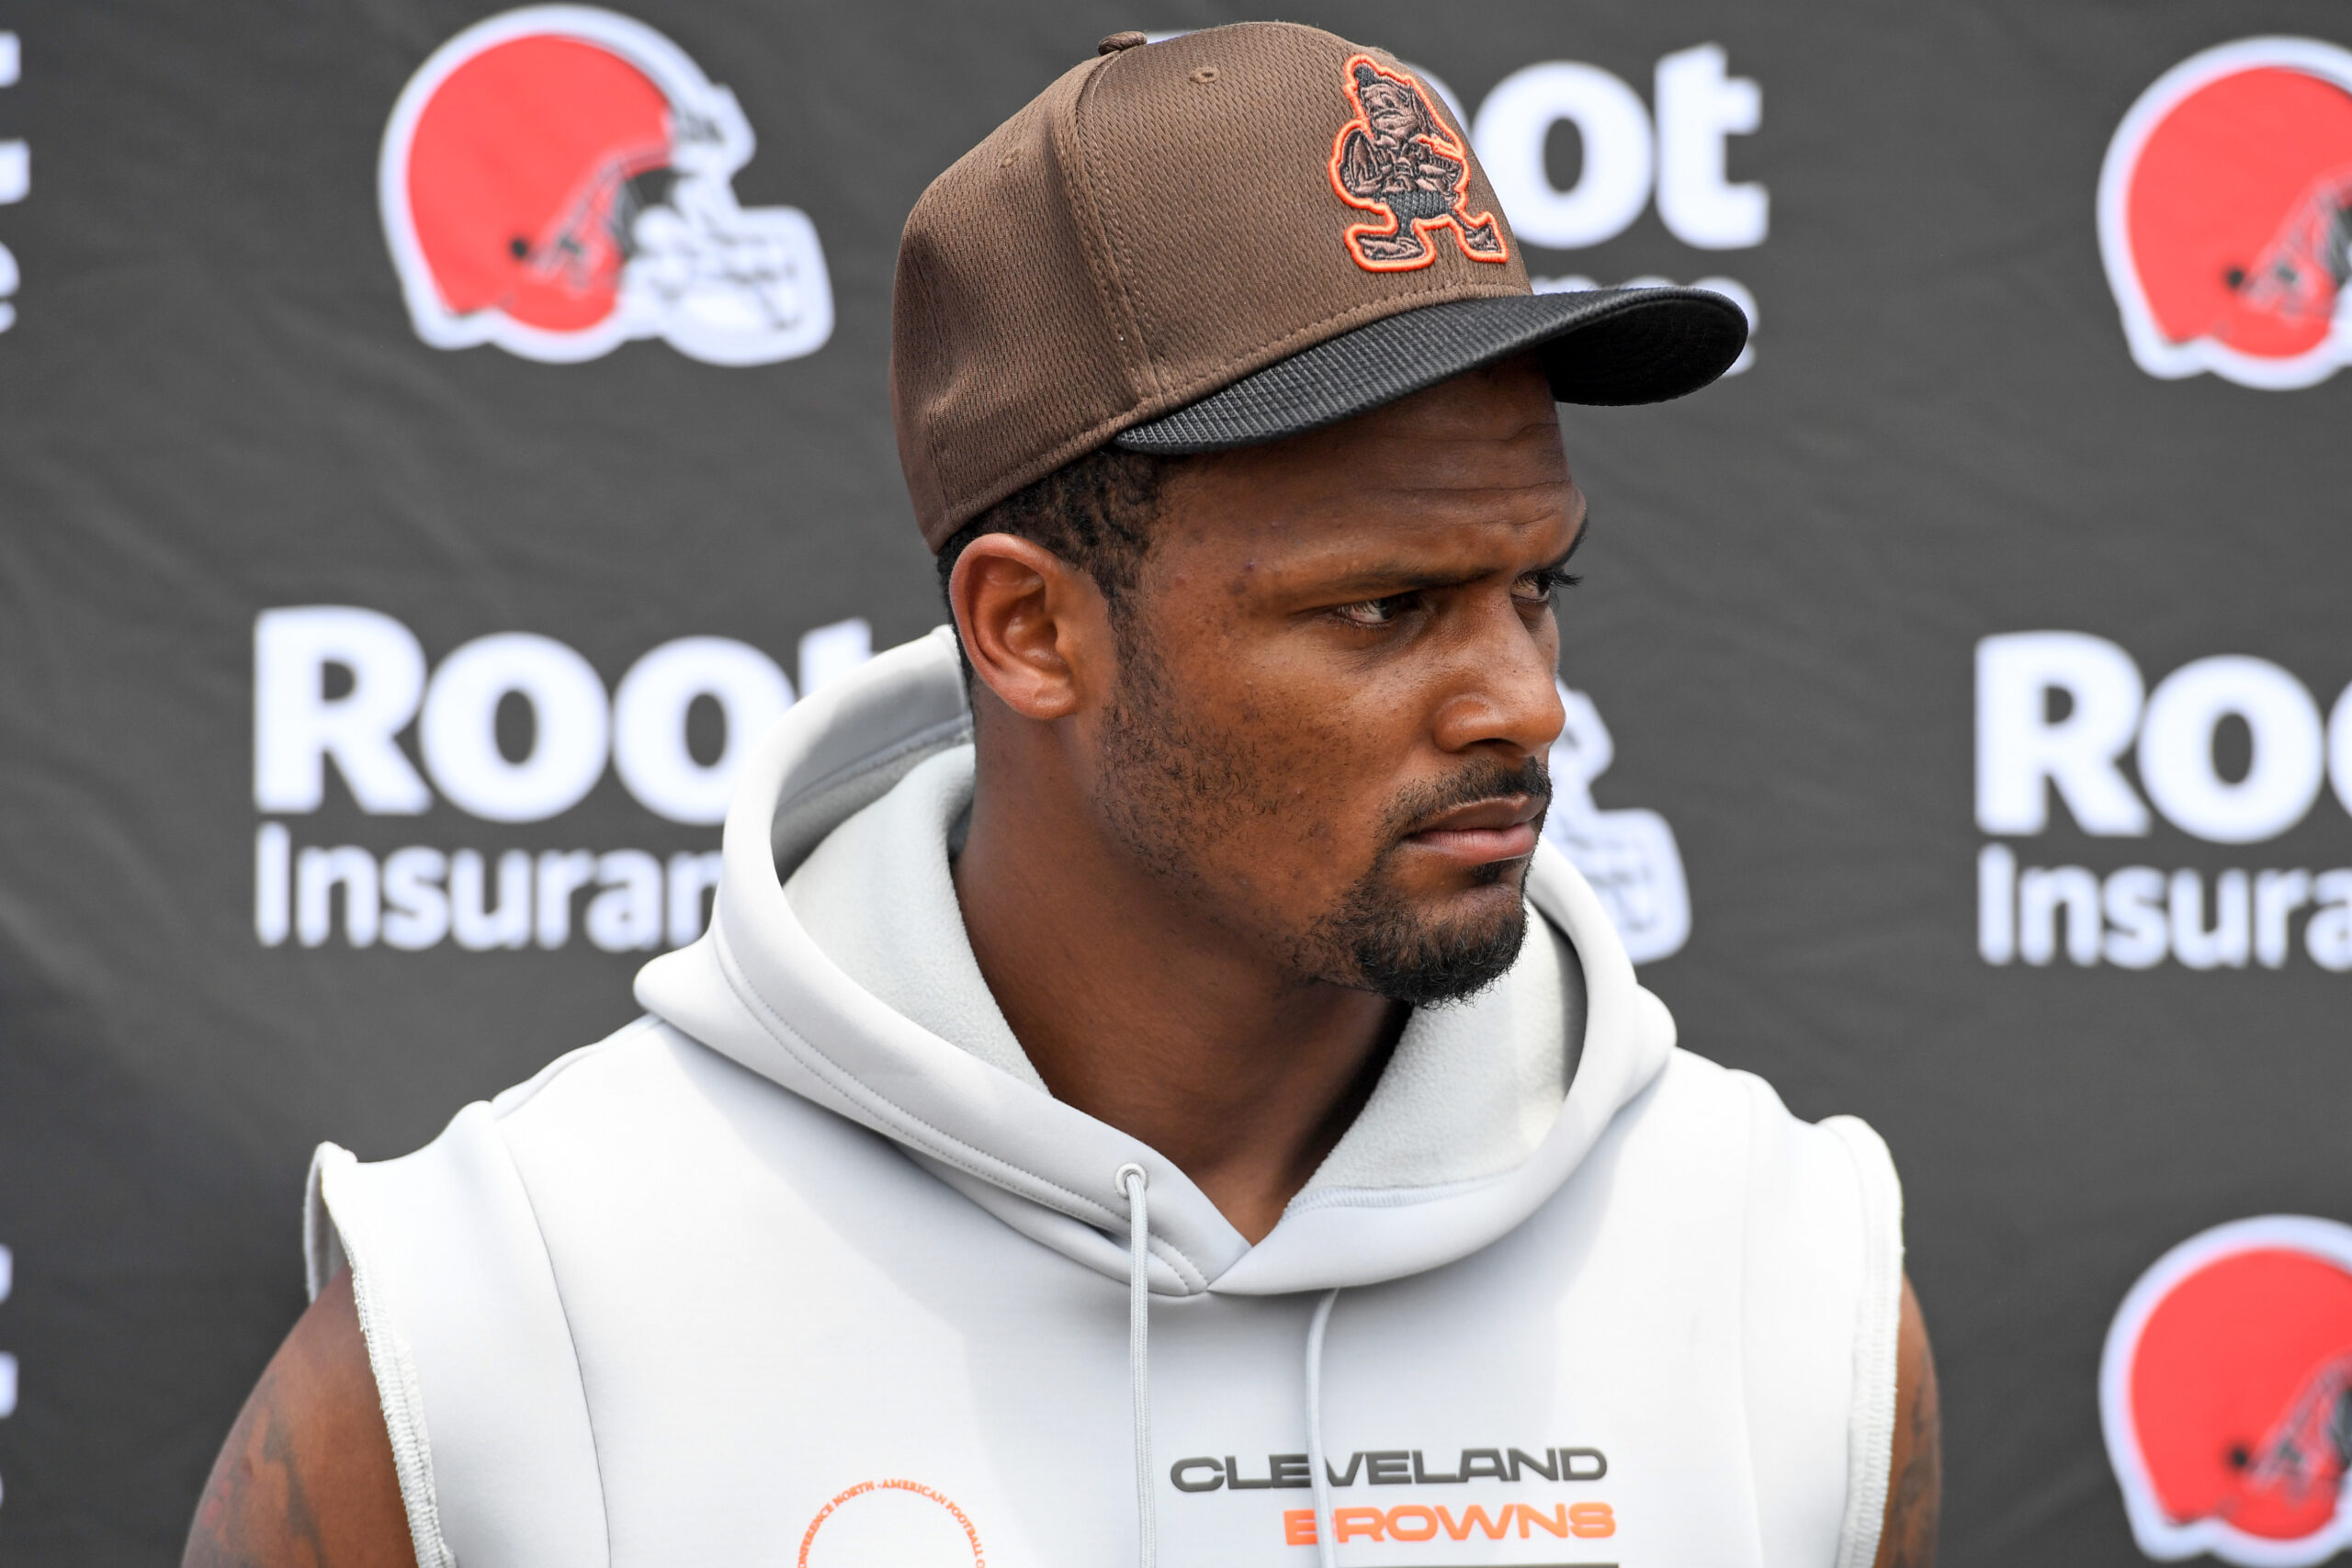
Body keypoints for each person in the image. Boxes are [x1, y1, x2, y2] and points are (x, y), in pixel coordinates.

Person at [187, 22, 1939, 1568]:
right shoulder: (506, 1317)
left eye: (1538, 587)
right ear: (1029, 626)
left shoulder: (1783, 1277)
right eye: (1383, 607)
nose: (1526, 700)